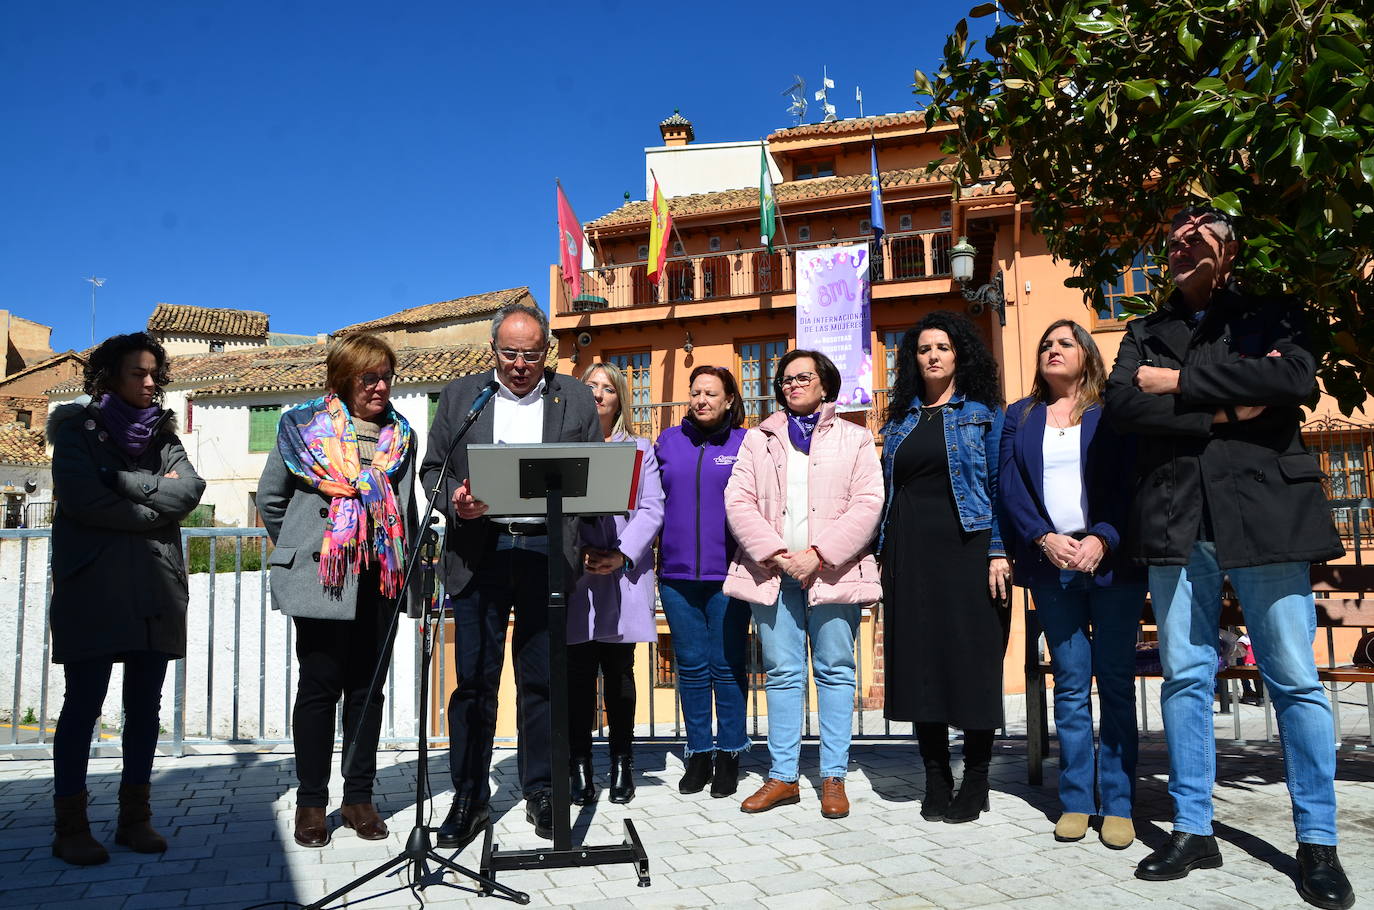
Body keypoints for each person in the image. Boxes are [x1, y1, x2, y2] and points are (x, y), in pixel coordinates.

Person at [1106, 204, 1352, 910]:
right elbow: (1124, 405)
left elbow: (1292, 382)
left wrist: (1178, 386)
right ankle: (1192, 829)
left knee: (1295, 680)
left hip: (1265, 514)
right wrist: (1230, 405)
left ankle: (1318, 841)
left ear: (1229, 247)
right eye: (1172, 241)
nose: (1180, 248)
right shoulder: (1144, 331)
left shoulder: (1272, 314)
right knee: (1185, 678)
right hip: (1177, 517)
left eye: (1196, 237)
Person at [422, 301, 599, 847]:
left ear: (547, 351)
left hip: (548, 550)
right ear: (493, 351)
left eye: (531, 353)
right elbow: (433, 468)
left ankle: (544, 791)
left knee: (542, 679)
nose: (520, 364)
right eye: (509, 353)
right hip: (481, 551)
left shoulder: (574, 396)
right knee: (474, 681)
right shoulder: (461, 397)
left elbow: (595, 469)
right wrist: (454, 499)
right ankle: (470, 796)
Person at [47, 332, 206, 865]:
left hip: (153, 587)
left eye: (154, 373)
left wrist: (120, 481)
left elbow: (189, 490)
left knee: (144, 709)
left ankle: (134, 818)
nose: (150, 382)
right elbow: (82, 500)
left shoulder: (163, 431)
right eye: (138, 373)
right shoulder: (74, 430)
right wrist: (152, 504)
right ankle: (70, 825)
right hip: (92, 587)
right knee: (82, 706)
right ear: (110, 376)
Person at [257, 333, 418, 848]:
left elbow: (407, 507)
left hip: (381, 576)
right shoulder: (302, 427)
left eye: (386, 376)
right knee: (320, 688)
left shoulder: (402, 434)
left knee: (368, 693)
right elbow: (271, 499)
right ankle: (310, 802)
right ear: (343, 378)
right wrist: (313, 548)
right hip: (325, 576)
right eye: (368, 376)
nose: (380, 386)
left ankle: (359, 798)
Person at [999, 319, 1146, 849]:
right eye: (1045, 344)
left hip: (1110, 564)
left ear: (1087, 355)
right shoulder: (1020, 415)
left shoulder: (1112, 412)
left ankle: (1121, 802)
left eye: (1064, 343)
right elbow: (1009, 487)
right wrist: (1042, 539)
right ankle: (1078, 800)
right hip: (1051, 564)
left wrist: (1103, 538)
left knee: (1114, 681)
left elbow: (1130, 483)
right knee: (1070, 681)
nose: (1052, 350)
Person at [725, 350, 884, 819]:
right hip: (772, 573)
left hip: (833, 571)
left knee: (836, 670)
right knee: (782, 674)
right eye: (786, 379)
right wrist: (775, 552)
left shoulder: (855, 438)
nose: (793, 385)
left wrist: (818, 554)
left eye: (803, 377)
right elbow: (738, 499)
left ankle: (833, 776)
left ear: (824, 384)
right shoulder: (759, 440)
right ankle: (783, 777)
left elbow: (869, 502)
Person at [879, 311, 1010, 825]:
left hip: (970, 549)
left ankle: (976, 780)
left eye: (943, 347)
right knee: (920, 664)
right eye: (923, 348)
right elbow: (888, 493)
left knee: (973, 663)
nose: (932, 355)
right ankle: (936, 778)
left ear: (960, 356)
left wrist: (998, 549)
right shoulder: (899, 423)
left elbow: (999, 487)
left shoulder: (983, 414)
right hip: (910, 554)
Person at [567, 363, 664, 806]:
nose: (600, 394)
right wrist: (578, 553)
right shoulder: (564, 446)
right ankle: (580, 766)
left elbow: (652, 509)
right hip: (579, 575)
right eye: (592, 386)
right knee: (579, 676)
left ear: (621, 398)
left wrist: (620, 554)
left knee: (620, 674)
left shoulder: (640, 448)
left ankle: (623, 762)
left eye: (609, 388)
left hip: (623, 574)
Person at [654, 366, 752, 797]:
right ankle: (697, 753)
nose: (702, 400)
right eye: (695, 392)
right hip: (675, 576)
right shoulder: (668, 442)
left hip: (730, 573)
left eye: (711, 393)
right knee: (691, 669)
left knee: (727, 665)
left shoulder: (745, 443)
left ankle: (730, 752)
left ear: (729, 399)